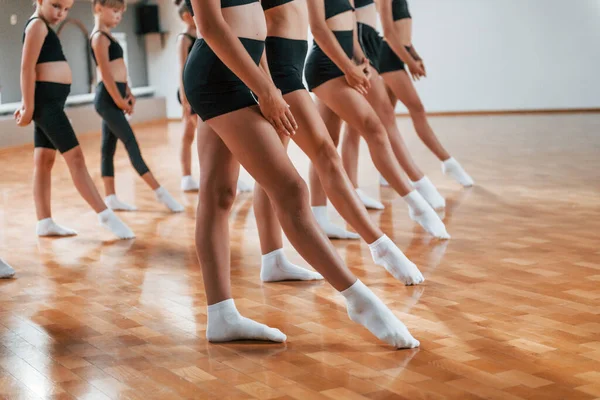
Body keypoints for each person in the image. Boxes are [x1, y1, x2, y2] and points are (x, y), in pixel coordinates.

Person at [183, 0, 419, 348]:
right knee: (291, 189)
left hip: (248, 68)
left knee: (220, 193)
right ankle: (360, 301)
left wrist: (266, 81)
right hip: (218, 76)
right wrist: (264, 89)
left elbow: (257, 27)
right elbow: (211, 26)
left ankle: (221, 316)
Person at [253, 0, 424, 285]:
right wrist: (265, 85)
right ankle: (381, 246)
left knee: (273, 168)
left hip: (291, 66)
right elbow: (253, 26)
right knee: (325, 154)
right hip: (279, 70)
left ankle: (273, 259)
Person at [304, 0, 449, 238]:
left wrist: (362, 60)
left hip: (347, 64)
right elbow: (318, 29)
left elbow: (351, 27)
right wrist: (347, 68)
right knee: (374, 128)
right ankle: (417, 205)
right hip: (325, 68)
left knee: (325, 145)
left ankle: (318, 217)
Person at [16, 0, 134, 239]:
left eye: (67, 9)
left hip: (51, 103)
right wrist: (28, 107)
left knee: (44, 160)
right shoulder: (37, 25)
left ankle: (45, 221)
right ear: (39, 0)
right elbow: (27, 68)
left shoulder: (44, 27)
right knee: (76, 158)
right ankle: (105, 216)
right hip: (46, 104)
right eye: (56, 5)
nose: (61, 13)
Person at [339, 0, 446, 211]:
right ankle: (418, 183)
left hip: (367, 42)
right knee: (382, 115)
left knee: (355, 125)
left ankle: (353, 189)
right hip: (358, 41)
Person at [91, 0, 184, 212]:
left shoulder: (109, 36)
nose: (118, 16)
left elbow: (119, 71)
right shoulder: (98, 39)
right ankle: (161, 194)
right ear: (98, 8)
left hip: (115, 97)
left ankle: (111, 197)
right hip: (107, 99)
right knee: (131, 144)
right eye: (114, 11)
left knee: (107, 149)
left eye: (121, 13)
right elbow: (105, 75)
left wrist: (129, 93)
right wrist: (119, 100)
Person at [377, 0, 474, 187]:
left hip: (398, 55)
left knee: (385, 117)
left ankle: (385, 171)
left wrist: (414, 55)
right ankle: (448, 161)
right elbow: (388, 33)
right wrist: (410, 63)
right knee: (417, 109)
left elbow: (403, 33)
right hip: (388, 57)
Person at [174, 0, 200, 192]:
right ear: (186, 16)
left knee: (189, 134)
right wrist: (185, 98)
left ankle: (187, 177)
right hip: (189, 92)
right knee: (190, 134)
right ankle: (186, 176)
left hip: (200, 90)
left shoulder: (200, 35)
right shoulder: (183, 39)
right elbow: (182, 69)